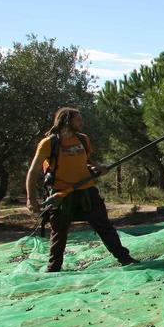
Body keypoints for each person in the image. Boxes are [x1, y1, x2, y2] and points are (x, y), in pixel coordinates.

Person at [26, 107, 137, 273]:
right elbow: (33, 171)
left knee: (105, 227)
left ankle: (125, 259)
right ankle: (53, 268)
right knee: (59, 232)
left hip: (87, 191)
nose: (81, 123)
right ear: (67, 120)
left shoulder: (83, 140)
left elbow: (88, 162)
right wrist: (31, 199)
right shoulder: (49, 143)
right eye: (78, 119)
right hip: (62, 195)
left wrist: (99, 168)